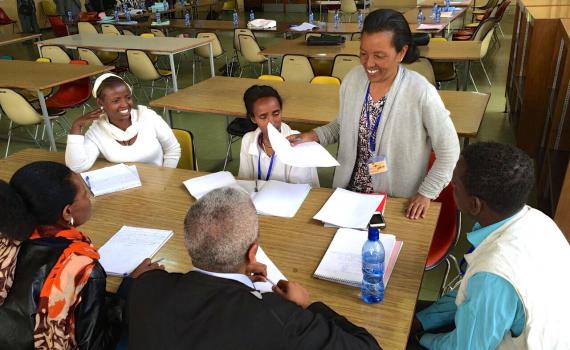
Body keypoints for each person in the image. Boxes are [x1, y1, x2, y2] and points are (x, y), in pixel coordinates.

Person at [128, 187, 380, 350]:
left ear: (189, 243)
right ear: (252, 253)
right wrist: (307, 307)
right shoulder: (279, 316)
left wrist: (145, 279)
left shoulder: (145, 286)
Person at [289, 9, 459, 219]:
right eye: (363, 53)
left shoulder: (421, 93)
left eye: (379, 56)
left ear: (401, 53)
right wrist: (313, 135)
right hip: (348, 194)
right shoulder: (353, 80)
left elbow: (449, 151)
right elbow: (344, 124)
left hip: (395, 201)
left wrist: (426, 193)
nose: (368, 64)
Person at [409, 142, 570, 349]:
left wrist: (417, 338)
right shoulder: (537, 219)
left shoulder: (493, 276)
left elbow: (466, 348)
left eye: (455, 185)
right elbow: (471, 296)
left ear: (475, 205)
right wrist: (423, 320)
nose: (450, 187)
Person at [0, 161, 163, 349]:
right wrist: (130, 287)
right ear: (67, 212)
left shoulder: (7, 237)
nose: (89, 199)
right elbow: (95, 345)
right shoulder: (82, 269)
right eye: (85, 194)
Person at [65, 73, 181, 173]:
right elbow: (77, 167)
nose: (125, 104)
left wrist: (166, 176)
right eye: (116, 101)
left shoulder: (148, 117)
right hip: (124, 189)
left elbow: (173, 149)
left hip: (157, 183)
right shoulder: (97, 130)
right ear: (100, 103)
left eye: (128, 97)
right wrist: (77, 125)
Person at [238, 85, 320, 187]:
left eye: (276, 114)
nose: (271, 122)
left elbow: (300, 190)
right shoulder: (248, 140)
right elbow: (244, 182)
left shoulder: (299, 144)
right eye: (263, 117)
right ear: (253, 118)